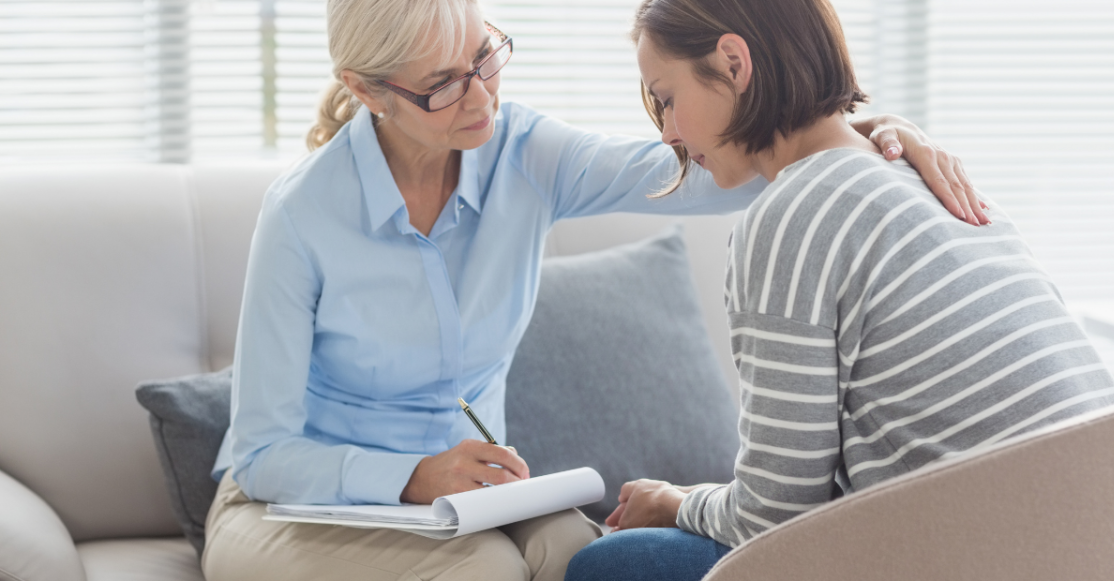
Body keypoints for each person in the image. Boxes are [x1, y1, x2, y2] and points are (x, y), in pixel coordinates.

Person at [199, 0, 984, 580]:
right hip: (287, 509)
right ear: (368, 90)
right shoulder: (304, 214)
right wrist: (409, 476)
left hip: (471, 498)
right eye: (442, 85)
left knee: (593, 560)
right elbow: (265, 453)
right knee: (482, 575)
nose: (481, 98)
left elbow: (707, 163)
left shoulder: (521, 152)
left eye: (485, 58)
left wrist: (867, 135)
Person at [564, 0, 1114, 579]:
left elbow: (774, 517)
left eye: (666, 98)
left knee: (615, 565)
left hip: (992, 553)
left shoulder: (787, 218)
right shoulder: (940, 186)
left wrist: (677, 503)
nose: (667, 133)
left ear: (733, 62)